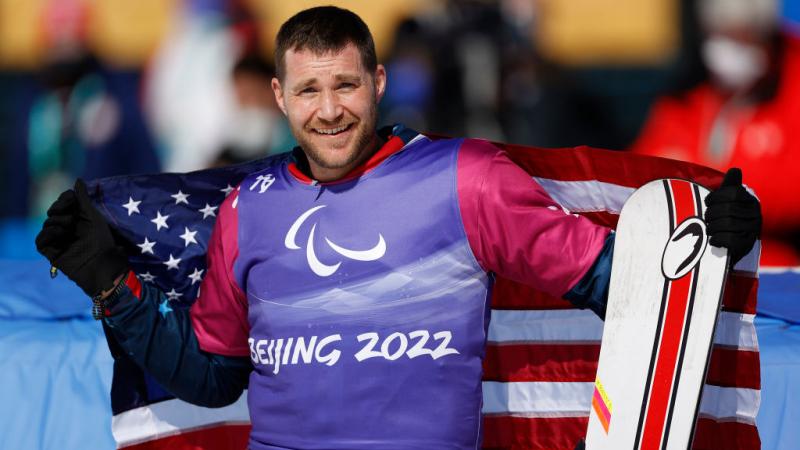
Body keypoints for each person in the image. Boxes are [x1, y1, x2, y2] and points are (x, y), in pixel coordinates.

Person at [35, 6, 761, 450]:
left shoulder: (465, 178)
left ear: (377, 84)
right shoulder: (247, 207)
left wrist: (721, 235)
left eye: (346, 84)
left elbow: (628, 282)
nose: (330, 110)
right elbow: (212, 378)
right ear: (282, 96)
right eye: (310, 90)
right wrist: (110, 282)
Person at [631, 0, 798, 265]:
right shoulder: (687, 97)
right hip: (687, 259)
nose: (729, 51)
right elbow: (639, 176)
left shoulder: (790, 86)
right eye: (720, 36)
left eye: (743, 39)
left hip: (772, 265)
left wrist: (706, 185)